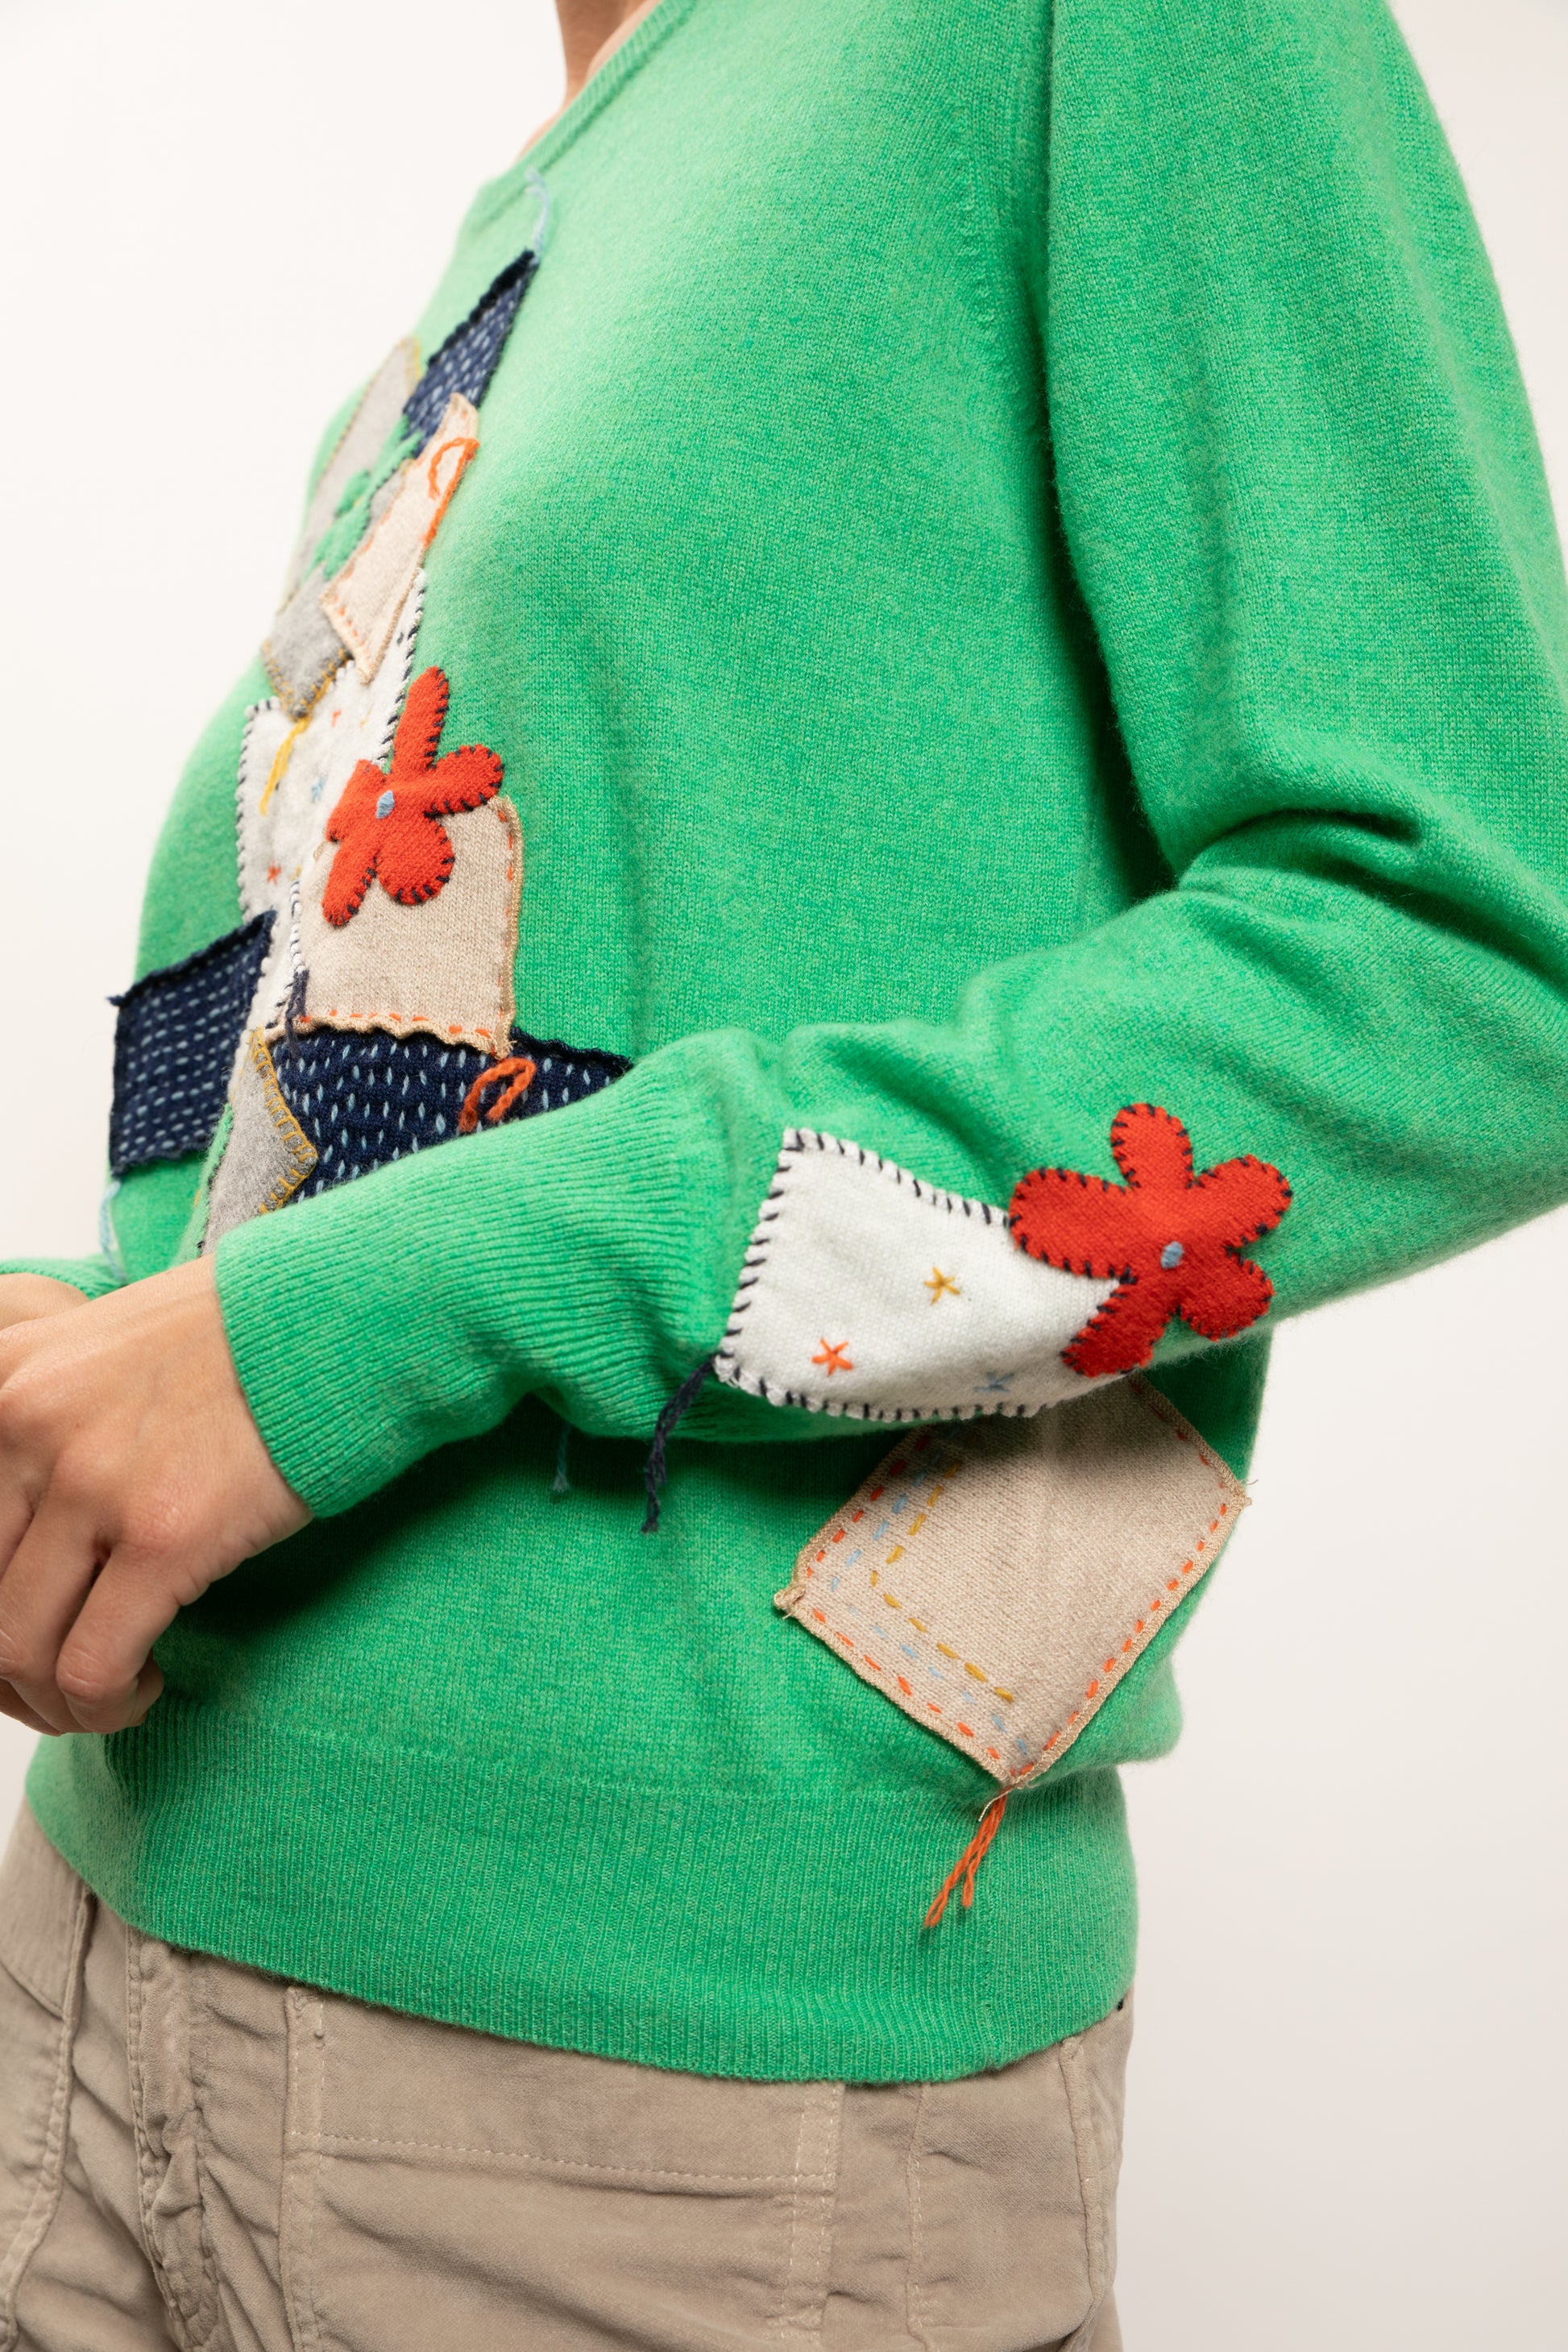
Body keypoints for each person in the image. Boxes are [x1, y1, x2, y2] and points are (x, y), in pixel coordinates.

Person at [2, 0, 1567, 2341]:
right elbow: (409, 1059)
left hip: (649, 2114)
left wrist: (333, 1332)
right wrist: (117, 1346)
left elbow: (1477, 962)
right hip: (102, 1961)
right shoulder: (550, 193)